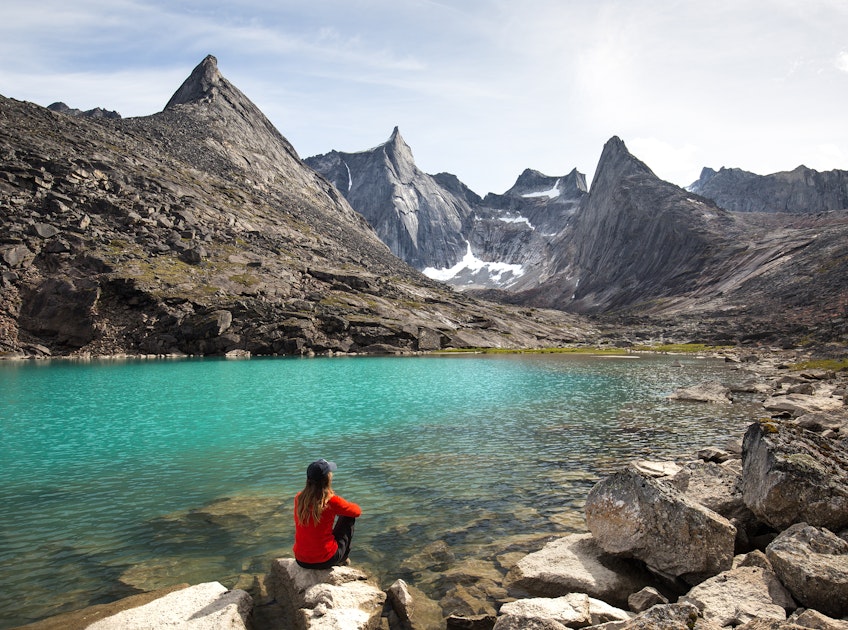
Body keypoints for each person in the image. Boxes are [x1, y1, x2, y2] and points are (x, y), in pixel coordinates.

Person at [293, 458, 361, 569]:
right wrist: (340, 507)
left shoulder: (299, 498)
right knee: (349, 517)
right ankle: (342, 558)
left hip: (301, 560)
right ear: (327, 478)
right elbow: (357, 511)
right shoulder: (331, 501)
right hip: (325, 560)